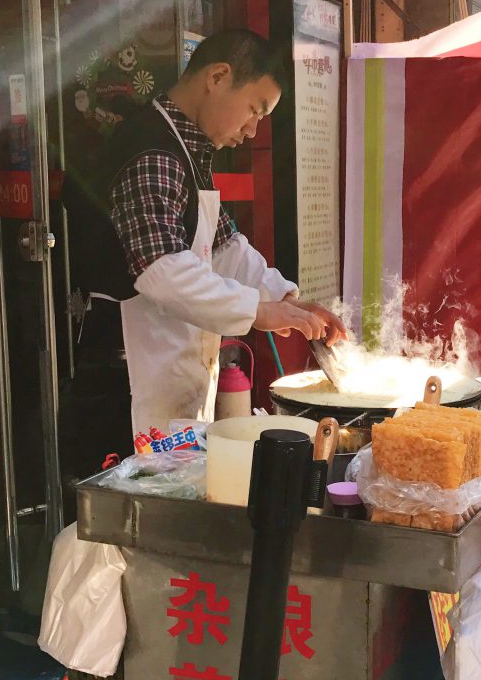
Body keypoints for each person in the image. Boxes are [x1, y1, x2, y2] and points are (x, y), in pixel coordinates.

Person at [63, 29, 345, 476]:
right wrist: (259, 311)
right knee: (123, 531)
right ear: (218, 76)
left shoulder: (188, 152)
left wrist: (288, 299)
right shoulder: (151, 151)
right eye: (254, 110)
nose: (252, 131)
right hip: (125, 385)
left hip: (166, 381)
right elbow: (162, 271)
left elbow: (225, 246)